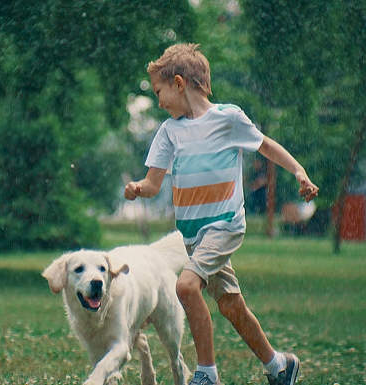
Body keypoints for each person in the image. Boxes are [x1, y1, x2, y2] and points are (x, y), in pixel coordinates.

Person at [124, 43, 319, 385]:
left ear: (180, 84)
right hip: (194, 236)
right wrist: (139, 188)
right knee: (231, 306)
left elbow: (266, 145)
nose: (158, 102)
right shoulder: (169, 132)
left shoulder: (228, 119)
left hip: (225, 225)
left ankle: (206, 374)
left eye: (160, 92)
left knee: (185, 287)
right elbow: (154, 183)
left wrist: (299, 171)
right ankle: (279, 366)